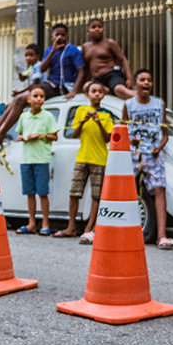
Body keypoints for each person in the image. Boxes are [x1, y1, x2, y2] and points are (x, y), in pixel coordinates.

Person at [0, 27, 83, 144]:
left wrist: (74, 90)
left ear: (67, 36)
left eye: (63, 35)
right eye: (57, 35)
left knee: (20, 98)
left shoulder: (73, 50)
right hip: (50, 84)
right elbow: (43, 68)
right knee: (15, 100)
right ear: (52, 37)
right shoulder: (50, 50)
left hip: (62, 87)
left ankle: (0, 134)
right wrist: (53, 50)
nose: (60, 37)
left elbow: (81, 71)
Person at [53, 80, 113, 242]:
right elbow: (74, 134)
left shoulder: (107, 114)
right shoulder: (81, 110)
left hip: (100, 159)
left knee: (96, 196)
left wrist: (99, 122)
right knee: (74, 193)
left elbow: (107, 138)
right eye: (93, 91)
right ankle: (71, 226)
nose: (96, 94)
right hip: (82, 157)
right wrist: (84, 121)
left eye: (100, 92)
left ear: (103, 95)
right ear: (87, 95)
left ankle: (89, 229)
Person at [123, 69, 173, 249]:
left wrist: (158, 148)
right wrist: (132, 140)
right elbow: (123, 131)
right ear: (135, 84)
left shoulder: (159, 104)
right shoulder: (128, 105)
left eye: (149, 80)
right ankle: (125, 232)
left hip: (154, 154)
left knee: (159, 190)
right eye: (142, 80)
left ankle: (162, 235)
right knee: (129, 190)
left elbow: (165, 134)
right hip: (133, 153)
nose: (146, 83)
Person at [14, 85, 58, 235]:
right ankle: (31, 223)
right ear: (28, 99)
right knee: (29, 192)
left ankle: (45, 223)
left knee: (43, 192)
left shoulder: (48, 117)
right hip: (26, 160)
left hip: (41, 159)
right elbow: (19, 134)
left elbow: (55, 136)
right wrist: (21, 137)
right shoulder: (24, 116)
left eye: (42, 96)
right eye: (36, 96)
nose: (39, 99)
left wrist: (39, 135)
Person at [82, 18, 135, 100]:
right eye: (93, 27)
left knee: (119, 89)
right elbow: (85, 69)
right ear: (88, 31)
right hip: (98, 79)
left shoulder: (109, 43)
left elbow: (123, 59)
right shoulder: (85, 47)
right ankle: (111, 91)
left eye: (99, 27)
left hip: (112, 75)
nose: (97, 29)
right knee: (86, 87)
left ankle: (144, 98)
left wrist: (129, 78)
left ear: (103, 29)